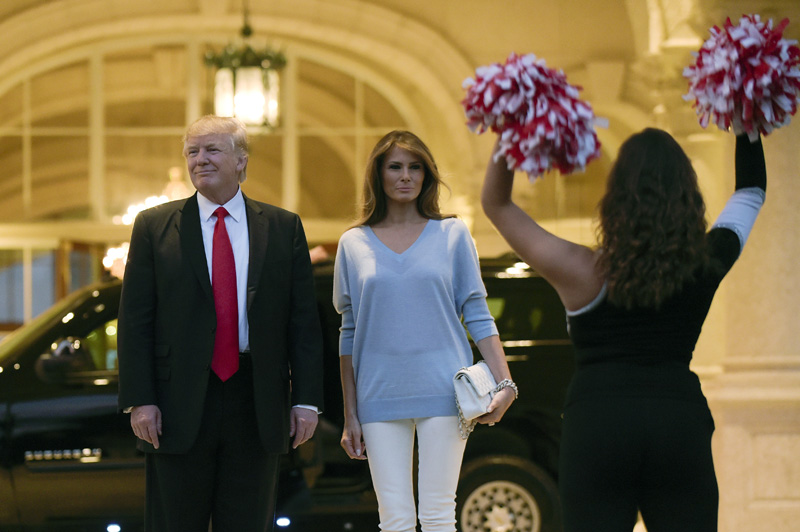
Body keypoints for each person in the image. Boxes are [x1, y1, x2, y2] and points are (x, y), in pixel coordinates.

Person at [481, 128, 766, 532]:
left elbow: (497, 205)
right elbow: (751, 191)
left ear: (614, 197)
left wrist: (511, 128)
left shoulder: (581, 269)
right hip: (677, 422)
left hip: (598, 423)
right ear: (687, 192)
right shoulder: (705, 262)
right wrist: (747, 124)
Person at [117, 115, 324, 532]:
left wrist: (305, 399)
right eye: (192, 151)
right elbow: (135, 321)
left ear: (241, 161)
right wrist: (140, 398)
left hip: (256, 397)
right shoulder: (154, 228)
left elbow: (303, 322)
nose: (200, 160)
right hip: (175, 404)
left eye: (212, 150)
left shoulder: (283, 228)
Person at [333, 130, 517, 532]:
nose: (406, 176)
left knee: (437, 516)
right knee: (394, 519)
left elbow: (478, 313)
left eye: (415, 167)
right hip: (378, 394)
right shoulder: (352, 243)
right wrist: (350, 414)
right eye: (395, 167)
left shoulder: (452, 234)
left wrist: (506, 383)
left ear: (427, 175)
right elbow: (348, 332)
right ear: (378, 174)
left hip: (446, 391)